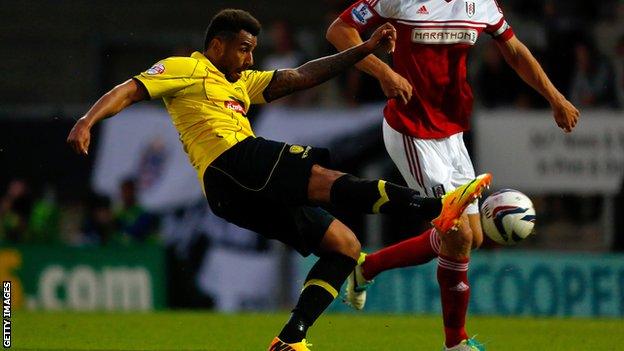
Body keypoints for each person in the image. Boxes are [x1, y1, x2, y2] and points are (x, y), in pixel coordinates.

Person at [67, 9, 490, 350]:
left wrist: (364, 50)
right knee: (324, 177)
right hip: (230, 161)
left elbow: (304, 75)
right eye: (244, 49)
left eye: (254, 51)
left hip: (233, 194)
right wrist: (88, 121)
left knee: (345, 247)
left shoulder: (241, 82)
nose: (250, 59)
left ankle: (290, 339)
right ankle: (436, 208)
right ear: (217, 45)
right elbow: (130, 88)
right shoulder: (185, 68)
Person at [326, 1, 579, 350]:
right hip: (411, 130)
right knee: (456, 233)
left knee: (471, 238)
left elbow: (515, 50)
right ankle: (455, 343)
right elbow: (339, 30)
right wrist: (384, 72)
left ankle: (366, 268)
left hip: (452, 133)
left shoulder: (482, 4)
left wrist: (555, 97)